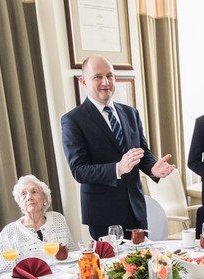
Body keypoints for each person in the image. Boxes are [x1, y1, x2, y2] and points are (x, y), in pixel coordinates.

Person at [61, 55, 176, 240]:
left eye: (109, 76)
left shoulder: (130, 113)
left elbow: (142, 152)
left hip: (136, 209)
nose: (105, 82)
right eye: (98, 77)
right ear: (83, 81)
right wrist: (118, 168)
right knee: (112, 260)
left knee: (143, 258)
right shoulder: (73, 120)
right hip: (103, 214)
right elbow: (79, 170)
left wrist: (152, 168)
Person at [0, 175, 75, 275]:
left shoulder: (58, 219)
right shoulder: (9, 232)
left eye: (34, 192)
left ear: (44, 198)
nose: (29, 197)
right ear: (19, 203)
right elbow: (3, 273)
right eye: (23, 194)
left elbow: (73, 253)